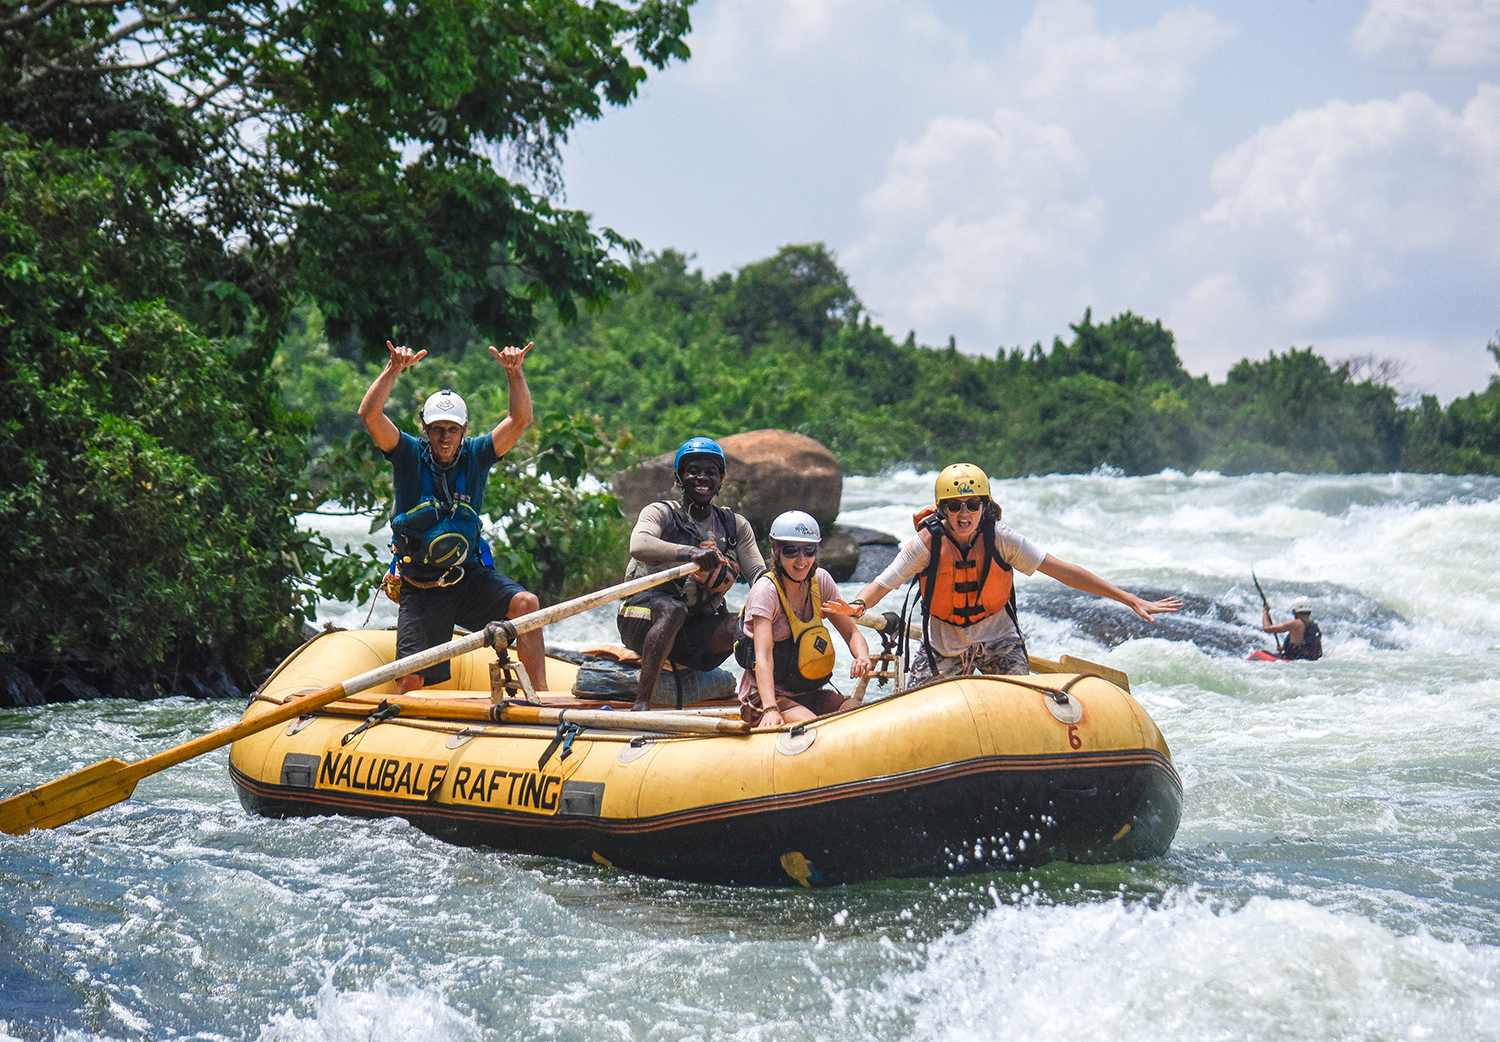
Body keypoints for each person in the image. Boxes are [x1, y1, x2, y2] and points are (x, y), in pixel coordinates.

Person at [850, 463, 1182, 686]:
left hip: (999, 641)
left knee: (1020, 705)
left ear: (984, 506)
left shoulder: (1002, 538)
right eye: (954, 506)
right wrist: (857, 606)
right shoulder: (926, 544)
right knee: (915, 711)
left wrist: (1128, 598)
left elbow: (1063, 571)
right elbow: (881, 584)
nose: (964, 513)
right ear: (942, 510)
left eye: (973, 503)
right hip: (944, 645)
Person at [358, 339, 547, 694]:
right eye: (437, 429)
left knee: (527, 604)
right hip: (422, 585)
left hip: (467, 577)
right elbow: (370, 416)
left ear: (463, 431)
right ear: (426, 430)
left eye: (453, 430)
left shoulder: (477, 455)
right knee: (411, 681)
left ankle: (542, 700)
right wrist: (393, 369)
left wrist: (515, 373)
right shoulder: (407, 454)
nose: (445, 438)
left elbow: (520, 420)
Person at [617, 437, 767, 712]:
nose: (702, 478)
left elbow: (759, 574)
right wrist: (690, 553)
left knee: (753, 623)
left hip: (695, 633)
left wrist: (776, 598)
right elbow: (639, 545)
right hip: (642, 620)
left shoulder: (735, 526)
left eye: (711, 472)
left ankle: (765, 699)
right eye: (693, 471)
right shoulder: (660, 512)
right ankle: (642, 705)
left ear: (721, 480)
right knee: (673, 609)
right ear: (679, 478)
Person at [736, 511, 872, 726]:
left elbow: (851, 632)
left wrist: (862, 656)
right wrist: (771, 709)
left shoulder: (821, 581)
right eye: (791, 551)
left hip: (809, 692)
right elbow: (762, 657)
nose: (801, 560)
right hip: (767, 697)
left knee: (855, 711)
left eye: (809, 551)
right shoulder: (766, 591)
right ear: (776, 551)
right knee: (811, 725)